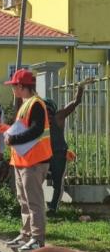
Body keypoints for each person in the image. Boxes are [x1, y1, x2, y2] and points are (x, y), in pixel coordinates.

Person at [4, 69, 53, 252]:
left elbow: (36, 129)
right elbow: (26, 128)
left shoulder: (36, 104)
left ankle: (37, 238)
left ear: (22, 86)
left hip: (34, 161)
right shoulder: (26, 104)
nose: (12, 89)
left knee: (34, 201)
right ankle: (26, 235)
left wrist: (13, 139)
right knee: (23, 200)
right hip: (23, 160)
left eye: (14, 86)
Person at [45, 77, 94, 213]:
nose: (46, 115)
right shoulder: (39, 120)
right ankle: (45, 205)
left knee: (58, 182)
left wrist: (81, 87)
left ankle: (53, 208)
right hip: (44, 154)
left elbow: (75, 102)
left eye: (47, 111)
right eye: (44, 111)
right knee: (40, 178)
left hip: (59, 153)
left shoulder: (58, 117)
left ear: (52, 110)